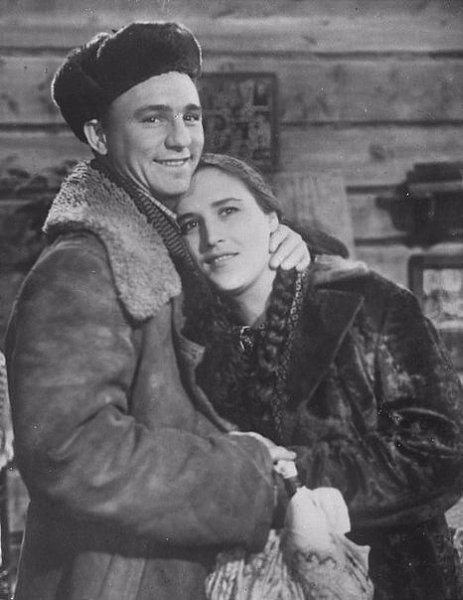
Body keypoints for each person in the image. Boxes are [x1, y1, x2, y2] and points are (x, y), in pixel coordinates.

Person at [4, 23, 314, 600]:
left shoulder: (164, 246)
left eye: (191, 116)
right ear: (98, 135)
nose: (181, 139)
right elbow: (68, 452)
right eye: (152, 119)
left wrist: (276, 256)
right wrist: (245, 477)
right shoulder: (82, 267)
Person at [176, 153, 463, 600]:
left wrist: (284, 475)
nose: (212, 237)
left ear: (272, 220)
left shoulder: (371, 305)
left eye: (228, 210)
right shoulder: (192, 343)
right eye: (190, 224)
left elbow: (441, 450)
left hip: (392, 580)